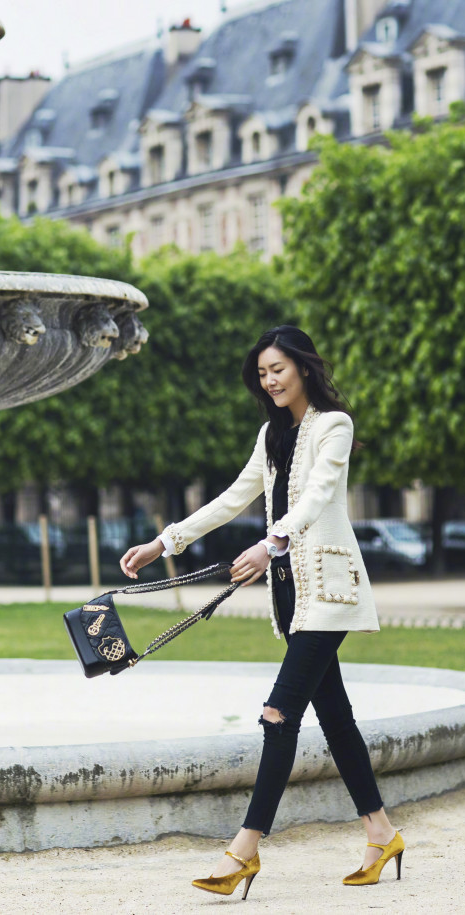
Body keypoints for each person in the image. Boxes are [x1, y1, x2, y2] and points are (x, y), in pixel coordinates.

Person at [120, 325, 404, 897]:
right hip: (292, 596)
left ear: (302, 367)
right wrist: (164, 543)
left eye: (278, 368)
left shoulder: (334, 426)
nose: (269, 379)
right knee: (337, 718)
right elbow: (231, 498)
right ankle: (382, 833)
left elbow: (318, 496)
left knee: (278, 715)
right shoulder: (271, 435)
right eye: (263, 373)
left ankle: (244, 851)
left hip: (329, 593)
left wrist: (268, 543)